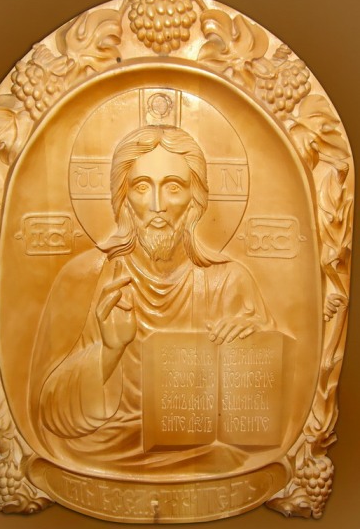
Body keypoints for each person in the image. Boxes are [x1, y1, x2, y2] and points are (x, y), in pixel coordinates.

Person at [30, 125, 273, 471]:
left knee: (231, 459)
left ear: (195, 198)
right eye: (142, 187)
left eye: (173, 187)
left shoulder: (229, 282)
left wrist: (250, 351)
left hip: (198, 451)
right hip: (100, 452)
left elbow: (259, 414)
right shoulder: (85, 276)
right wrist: (108, 352)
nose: (158, 206)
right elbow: (47, 413)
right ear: (123, 197)